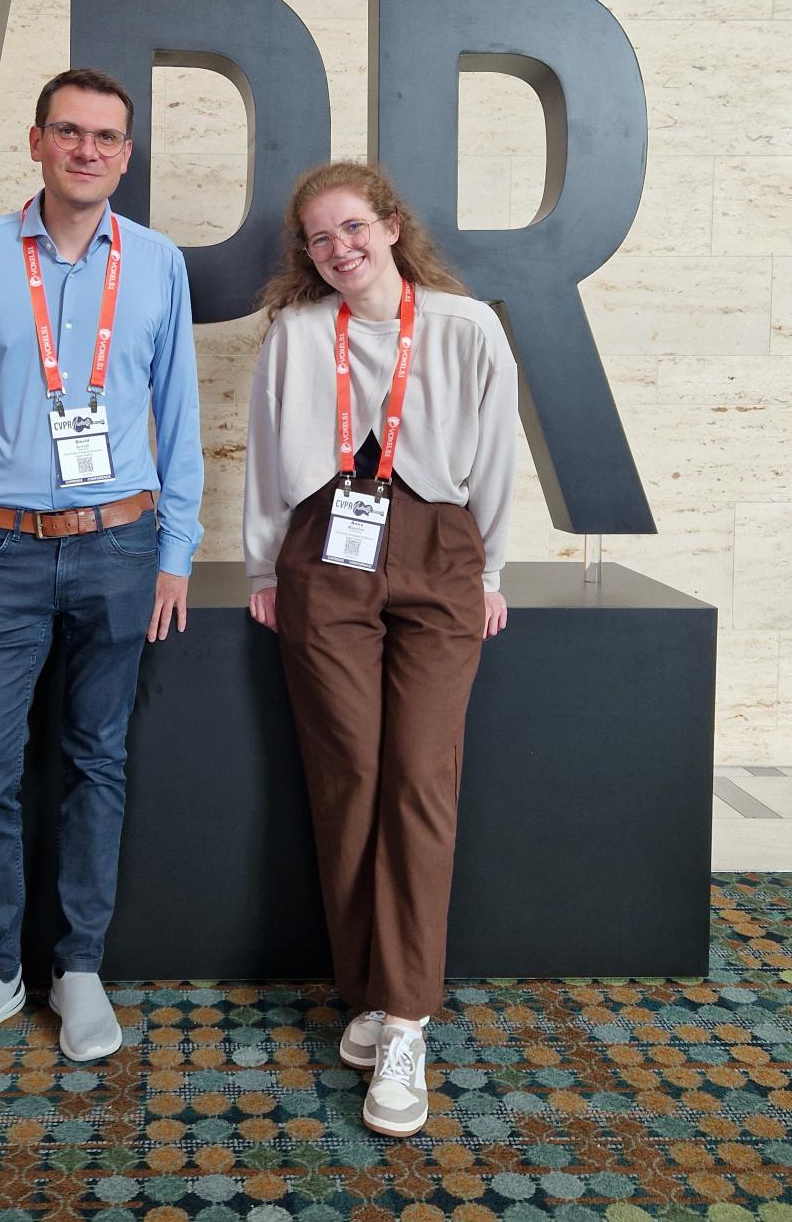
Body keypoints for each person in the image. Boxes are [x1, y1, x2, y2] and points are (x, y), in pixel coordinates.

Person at [0, 67, 203, 1067]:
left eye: (107, 138)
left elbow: (177, 417)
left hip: (121, 547)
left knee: (96, 761)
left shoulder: (158, 264)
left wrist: (175, 552)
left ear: (125, 155)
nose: (88, 150)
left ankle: (77, 966)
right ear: (36, 142)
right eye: (69, 132)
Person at [242, 161, 514, 1138]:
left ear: (392, 228)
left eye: (351, 228)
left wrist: (484, 576)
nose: (337, 249)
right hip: (324, 547)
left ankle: (404, 1021)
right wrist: (263, 570)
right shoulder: (298, 335)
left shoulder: (463, 325)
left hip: (438, 547)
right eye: (317, 239)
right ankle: (372, 993)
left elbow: (494, 454)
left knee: (418, 779)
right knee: (347, 776)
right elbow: (270, 456)